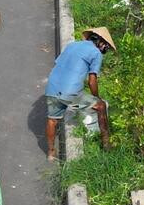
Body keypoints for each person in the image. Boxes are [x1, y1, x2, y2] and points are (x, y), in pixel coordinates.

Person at [44, 26, 115, 159]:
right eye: (107, 47)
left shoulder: (72, 45)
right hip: (70, 93)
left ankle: (51, 152)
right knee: (101, 106)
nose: (106, 49)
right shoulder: (96, 53)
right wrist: (97, 98)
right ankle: (107, 144)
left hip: (52, 88)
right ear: (101, 43)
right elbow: (92, 81)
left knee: (52, 120)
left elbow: (59, 64)